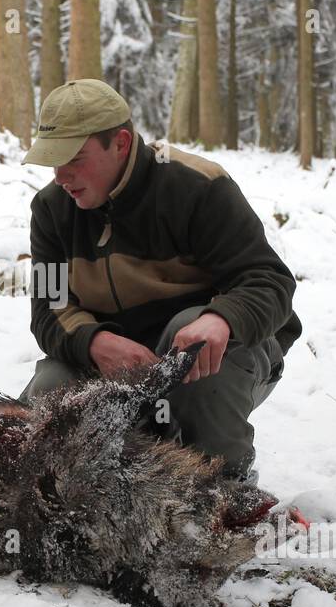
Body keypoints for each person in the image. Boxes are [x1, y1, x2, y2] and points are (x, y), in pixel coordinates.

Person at [19, 79, 302, 486]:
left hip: (223, 360)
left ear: (119, 143)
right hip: (116, 361)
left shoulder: (197, 187)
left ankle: (226, 491)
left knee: (192, 341)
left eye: (74, 158)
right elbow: (49, 307)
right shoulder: (51, 209)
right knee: (49, 392)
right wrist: (95, 343)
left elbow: (269, 280)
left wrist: (220, 319)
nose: (61, 176)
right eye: (52, 161)